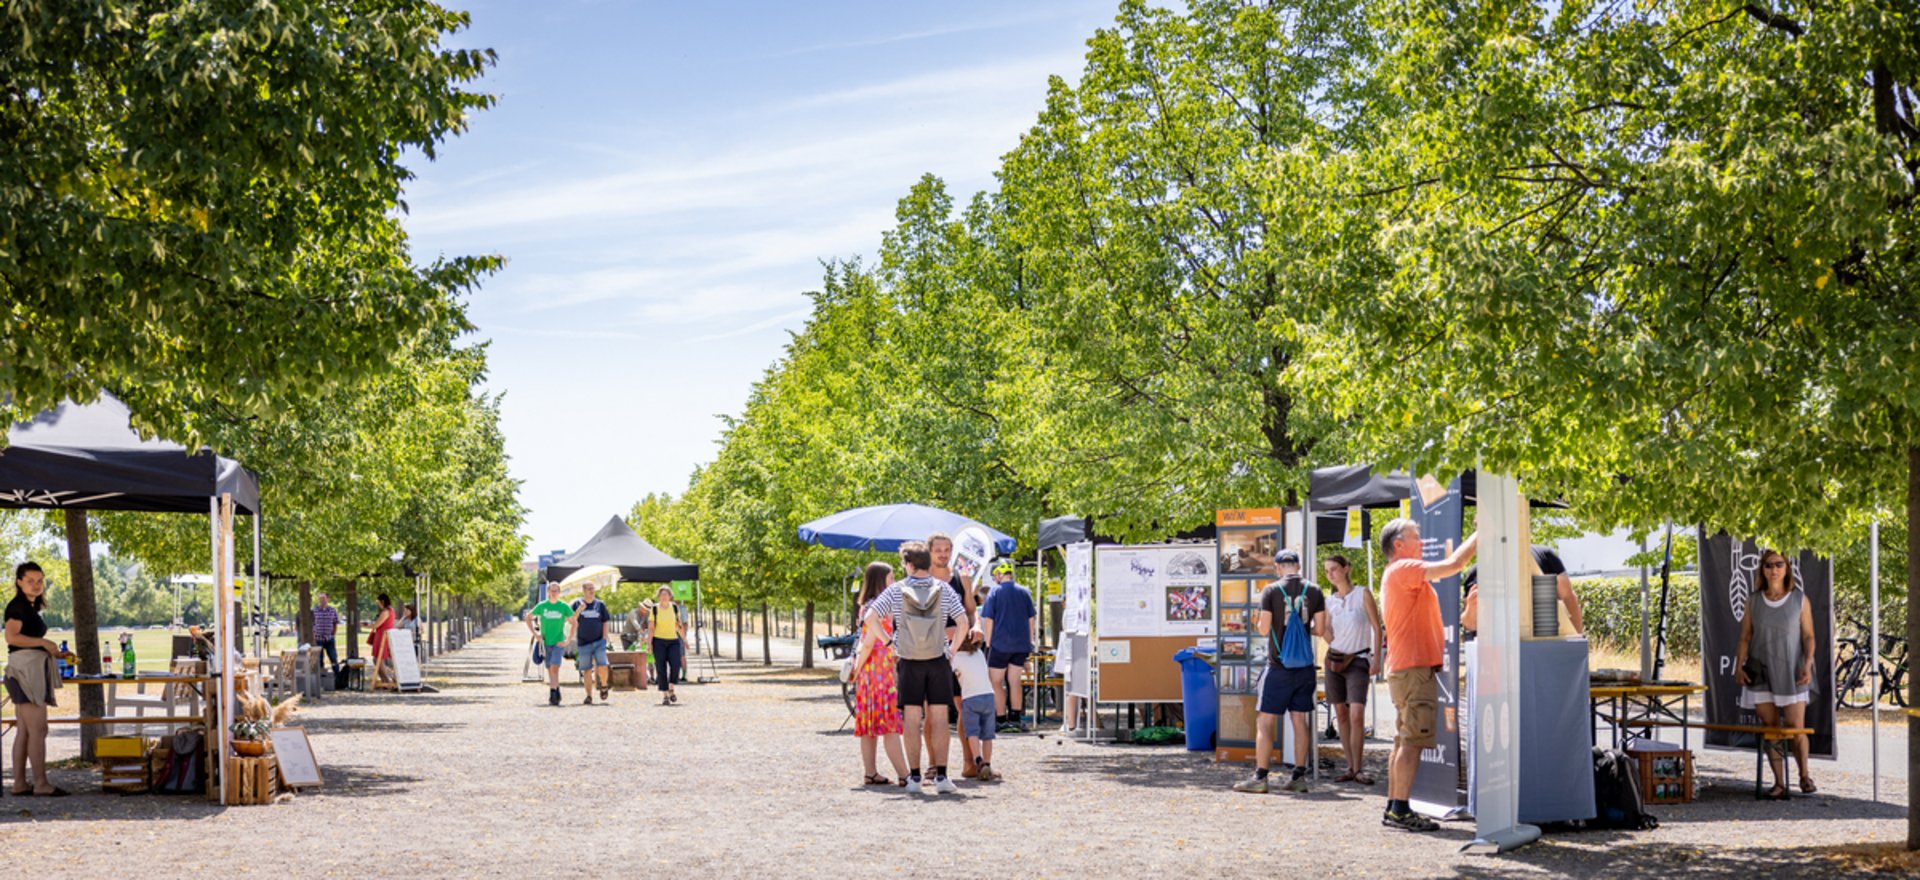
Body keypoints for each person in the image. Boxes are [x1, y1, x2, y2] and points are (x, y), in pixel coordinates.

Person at [1377, 518, 1478, 831]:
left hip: (1406, 668)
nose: (1422, 543)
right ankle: (1400, 810)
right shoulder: (1403, 568)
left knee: (1403, 740)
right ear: (1399, 545)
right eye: (1416, 538)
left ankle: (1395, 806)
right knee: (1411, 742)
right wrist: (1483, 531)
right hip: (1413, 670)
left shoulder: (1398, 572)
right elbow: (1454, 563)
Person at [864, 540, 973, 795]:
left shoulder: (896, 590)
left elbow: (871, 617)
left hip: (909, 661)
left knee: (912, 719)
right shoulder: (944, 589)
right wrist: (952, 649)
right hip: (937, 659)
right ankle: (943, 776)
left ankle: (914, 778)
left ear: (909, 564)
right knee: (939, 718)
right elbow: (963, 622)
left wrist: (889, 643)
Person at [1234, 549, 1329, 794]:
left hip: (1278, 666)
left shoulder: (1271, 591)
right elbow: (1319, 629)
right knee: (1300, 720)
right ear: (1298, 565)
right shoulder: (1315, 590)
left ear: (1278, 567)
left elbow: (1264, 629)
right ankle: (1298, 776)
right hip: (1305, 667)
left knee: (1265, 721)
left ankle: (1260, 777)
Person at [1736, 548, 1818, 798]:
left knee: (1795, 727)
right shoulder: (1753, 600)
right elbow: (1745, 636)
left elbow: (1808, 635)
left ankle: (1804, 775)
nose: (1774, 569)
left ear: (1786, 569)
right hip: (1761, 671)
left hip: (1792, 670)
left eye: (1778, 564)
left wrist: (1807, 664)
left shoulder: (1799, 599)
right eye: (1769, 565)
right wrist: (1739, 666)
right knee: (1770, 727)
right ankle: (1780, 783)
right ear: (1762, 569)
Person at [5, 562, 67, 796]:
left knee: (25, 730)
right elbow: (12, 638)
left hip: (26, 669)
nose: (36, 585)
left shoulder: (29, 607)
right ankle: (41, 783)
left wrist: (52, 650)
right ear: (19, 582)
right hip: (25, 672)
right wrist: (43, 642)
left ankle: (20, 783)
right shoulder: (17, 607)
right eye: (30, 580)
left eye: (40, 580)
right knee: (38, 729)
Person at [1322, 554, 1382, 784]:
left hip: (1359, 660)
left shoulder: (1362, 594)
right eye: (1327, 571)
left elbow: (1378, 627)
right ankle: (1349, 766)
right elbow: (1326, 630)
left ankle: (1359, 768)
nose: (1330, 574)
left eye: (1334, 569)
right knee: (1341, 714)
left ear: (1346, 568)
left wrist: (1376, 659)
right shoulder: (1330, 602)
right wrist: (1334, 641)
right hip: (1335, 660)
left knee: (1357, 714)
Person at [926, 532, 981, 775]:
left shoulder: (961, 578)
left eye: (947, 549)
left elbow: (971, 611)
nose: (943, 554)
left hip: (962, 651)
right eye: (938, 549)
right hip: (932, 653)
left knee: (965, 707)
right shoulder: (922, 580)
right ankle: (932, 764)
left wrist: (976, 625)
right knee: (932, 711)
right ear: (929, 552)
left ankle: (969, 762)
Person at [851, 561, 908, 787]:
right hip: (878, 673)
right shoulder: (880, 607)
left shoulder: (868, 606)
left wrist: (858, 670)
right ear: (881, 580)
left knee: (869, 725)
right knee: (889, 724)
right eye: (891, 578)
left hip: (870, 673)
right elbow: (869, 643)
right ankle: (905, 774)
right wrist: (858, 669)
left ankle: (870, 772)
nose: (894, 583)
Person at [1460, 543, 1583, 635]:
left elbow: (1568, 599)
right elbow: (1469, 625)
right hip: (1496, 655)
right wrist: (1470, 610)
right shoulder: (1477, 572)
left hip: (1544, 645)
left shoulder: (1545, 557)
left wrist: (1577, 641)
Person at [981, 560, 1037, 732]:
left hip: (999, 644)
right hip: (1020, 645)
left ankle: (1000, 719)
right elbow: (1031, 620)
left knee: (996, 683)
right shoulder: (1024, 592)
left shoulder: (994, 593)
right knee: (1015, 681)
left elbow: (989, 620)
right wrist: (1030, 640)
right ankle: (1016, 718)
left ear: (998, 574)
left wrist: (988, 643)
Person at [952, 630, 1000, 781]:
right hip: (989, 696)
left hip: (970, 698)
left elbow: (951, 671)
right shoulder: (979, 654)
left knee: (972, 732)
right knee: (988, 735)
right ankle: (988, 763)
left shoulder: (956, 657)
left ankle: (977, 760)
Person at [527, 585, 574, 706]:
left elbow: (574, 622)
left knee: (554, 667)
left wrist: (568, 639)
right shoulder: (542, 606)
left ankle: (552, 693)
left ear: (559, 592)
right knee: (550, 669)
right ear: (548, 591)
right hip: (545, 642)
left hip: (558, 642)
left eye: (556, 591)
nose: (553, 593)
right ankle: (556, 690)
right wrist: (536, 634)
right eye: (551, 590)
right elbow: (528, 617)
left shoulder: (563, 606)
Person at [570, 583, 614, 705]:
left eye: (593, 588)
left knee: (603, 665)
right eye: (589, 589)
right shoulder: (577, 604)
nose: (591, 591)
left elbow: (605, 621)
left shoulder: (600, 605)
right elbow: (571, 620)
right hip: (584, 642)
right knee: (587, 670)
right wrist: (579, 610)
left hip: (599, 641)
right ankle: (589, 696)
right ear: (583, 590)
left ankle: (604, 685)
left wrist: (605, 637)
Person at [649, 585, 687, 705]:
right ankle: (665, 695)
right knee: (661, 668)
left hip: (673, 640)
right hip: (658, 641)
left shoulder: (675, 608)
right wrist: (649, 643)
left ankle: (671, 687)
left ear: (670, 596)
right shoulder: (654, 609)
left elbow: (679, 625)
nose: (664, 597)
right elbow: (651, 628)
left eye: (666, 594)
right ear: (659, 596)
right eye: (662, 595)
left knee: (676, 665)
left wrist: (685, 640)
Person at [369, 593, 396, 686]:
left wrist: (365, 625)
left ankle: (386, 680)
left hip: (382, 636)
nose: (378, 605)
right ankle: (384, 680)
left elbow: (376, 625)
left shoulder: (386, 611)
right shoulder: (390, 610)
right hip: (382, 635)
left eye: (379, 602)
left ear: (383, 601)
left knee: (379, 659)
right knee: (376, 659)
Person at [311, 592, 342, 675]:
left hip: (329, 639)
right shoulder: (314, 611)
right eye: (320, 599)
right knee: (319, 659)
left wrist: (333, 635)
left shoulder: (332, 610)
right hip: (318, 639)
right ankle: (321, 677)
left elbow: (335, 623)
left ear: (328, 599)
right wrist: (313, 637)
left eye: (324, 599)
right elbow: (311, 624)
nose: (322, 601)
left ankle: (337, 676)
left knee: (333, 657)